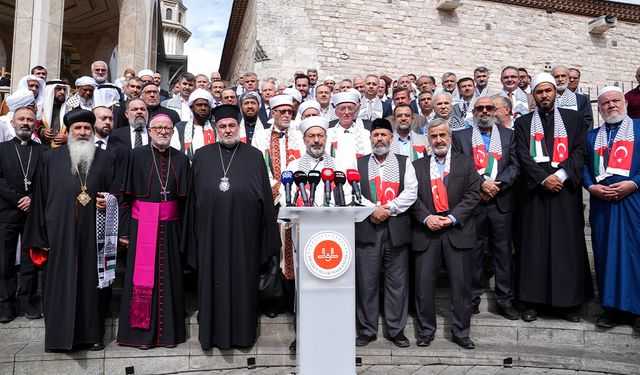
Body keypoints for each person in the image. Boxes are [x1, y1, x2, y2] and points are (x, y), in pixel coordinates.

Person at [182, 104, 280, 350]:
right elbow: (193, 201)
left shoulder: (254, 156)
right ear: (216, 129)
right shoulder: (202, 156)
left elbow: (266, 201)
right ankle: (211, 336)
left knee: (242, 287)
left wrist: (265, 237)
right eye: (223, 127)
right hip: (210, 237)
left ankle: (243, 336)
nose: (227, 130)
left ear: (239, 128)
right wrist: (193, 236)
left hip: (245, 238)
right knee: (211, 285)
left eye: (231, 126)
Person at [23, 109, 119, 352]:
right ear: (69, 131)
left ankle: (93, 335)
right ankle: (58, 338)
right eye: (78, 128)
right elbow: (40, 196)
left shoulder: (106, 159)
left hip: (93, 233)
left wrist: (107, 200)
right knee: (59, 285)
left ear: (93, 129)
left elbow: (117, 195)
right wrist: (40, 236)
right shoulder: (49, 158)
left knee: (91, 285)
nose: (83, 132)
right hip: (59, 233)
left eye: (87, 128)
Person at [514, 73, 592, 323]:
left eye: (548, 91)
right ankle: (532, 301)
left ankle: (567, 303)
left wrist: (560, 175)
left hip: (564, 192)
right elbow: (523, 155)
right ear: (534, 96)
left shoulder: (574, 119)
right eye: (539, 92)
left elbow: (580, 150)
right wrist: (542, 179)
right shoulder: (524, 123)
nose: (544, 95)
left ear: (556, 94)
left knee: (565, 247)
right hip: (535, 193)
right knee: (533, 247)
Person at [117, 114, 189, 349]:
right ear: (149, 131)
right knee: (141, 278)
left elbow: (186, 201)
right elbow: (125, 197)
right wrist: (125, 232)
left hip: (171, 226)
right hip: (142, 226)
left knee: (170, 278)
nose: (162, 131)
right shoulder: (135, 155)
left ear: (172, 131)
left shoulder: (180, 158)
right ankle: (141, 336)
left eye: (167, 128)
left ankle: (169, 335)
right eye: (157, 127)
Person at [411, 118, 481, 349]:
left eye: (443, 135)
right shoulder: (418, 165)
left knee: (461, 286)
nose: (438, 140)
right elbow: (412, 197)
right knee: (423, 285)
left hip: (456, 231)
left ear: (450, 137)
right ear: (428, 140)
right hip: (427, 232)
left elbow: (473, 195)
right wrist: (426, 217)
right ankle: (426, 331)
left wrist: (452, 218)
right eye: (434, 136)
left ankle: (461, 333)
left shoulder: (466, 163)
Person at [452, 97, 520, 320]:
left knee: (503, 252)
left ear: (495, 111)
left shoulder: (509, 135)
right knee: (474, 252)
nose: (484, 111)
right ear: (473, 111)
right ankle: (472, 297)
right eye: (479, 108)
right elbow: (459, 166)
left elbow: (515, 165)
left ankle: (505, 299)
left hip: (501, 201)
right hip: (475, 202)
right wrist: (481, 184)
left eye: (488, 108)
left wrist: (497, 185)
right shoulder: (461, 136)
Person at [355, 118, 417, 348]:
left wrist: (387, 208)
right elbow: (353, 193)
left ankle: (396, 329)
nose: (379, 138)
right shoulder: (359, 163)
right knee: (366, 281)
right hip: (368, 229)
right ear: (370, 138)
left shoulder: (404, 162)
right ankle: (367, 329)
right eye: (375, 135)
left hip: (396, 229)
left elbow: (411, 191)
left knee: (397, 282)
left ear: (391, 137)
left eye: (383, 134)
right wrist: (373, 209)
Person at [583, 87, 640, 332]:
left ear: (625, 103)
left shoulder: (638, 128)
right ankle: (612, 308)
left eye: (615, 101)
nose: (611, 106)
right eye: (605, 103)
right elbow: (584, 167)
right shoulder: (592, 135)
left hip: (633, 202)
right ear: (599, 108)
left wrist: (634, 183)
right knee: (605, 252)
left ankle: (637, 309)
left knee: (633, 252)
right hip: (602, 203)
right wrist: (591, 187)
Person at [0, 107, 46, 323]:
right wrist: (19, 198)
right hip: (6, 212)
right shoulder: (1, 149)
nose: (25, 122)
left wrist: (32, 198)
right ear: (13, 122)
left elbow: (47, 181)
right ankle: (6, 304)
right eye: (22, 119)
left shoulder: (44, 151)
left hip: (33, 213)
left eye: (29, 119)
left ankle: (28, 301)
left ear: (35, 123)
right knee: (4, 261)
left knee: (30, 261)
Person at [171, 89, 217, 159]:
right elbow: (174, 152)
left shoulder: (216, 128)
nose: (203, 108)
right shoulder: (180, 127)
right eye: (199, 105)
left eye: (206, 105)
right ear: (191, 108)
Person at [39, 80, 70, 148]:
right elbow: (33, 126)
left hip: (62, 149)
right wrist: (41, 131)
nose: (62, 92)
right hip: (42, 148)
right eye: (59, 89)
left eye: (64, 89)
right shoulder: (39, 109)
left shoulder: (69, 110)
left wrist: (68, 138)